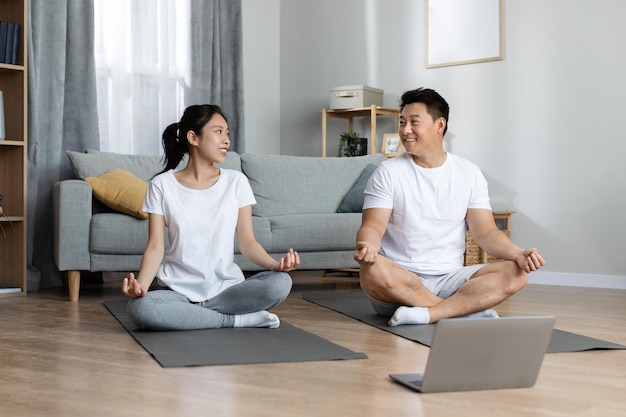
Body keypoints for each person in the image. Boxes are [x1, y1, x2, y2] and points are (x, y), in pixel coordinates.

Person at [354, 88, 545, 326]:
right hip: (400, 281)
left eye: (414, 122)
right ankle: (460, 312)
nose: (405, 131)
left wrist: (519, 253)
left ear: (439, 124)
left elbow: (485, 232)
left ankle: (430, 313)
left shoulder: (469, 173)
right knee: (371, 271)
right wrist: (368, 246)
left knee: (516, 273)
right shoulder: (388, 172)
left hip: (451, 280)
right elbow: (372, 226)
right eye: (402, 123)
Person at [122, 104, 299, 330]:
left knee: (280, 283)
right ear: (193, 138)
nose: (226, 140)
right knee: (140, 308)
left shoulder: (236, 182)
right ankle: (235, 319)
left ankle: (194, 316)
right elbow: (155, 247)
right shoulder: (161, 185)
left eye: (227, 133)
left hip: (226, 291)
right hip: (176, 292)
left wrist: (275, 265)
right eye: (218, 132)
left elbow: (248, 243)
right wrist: (142, 286)